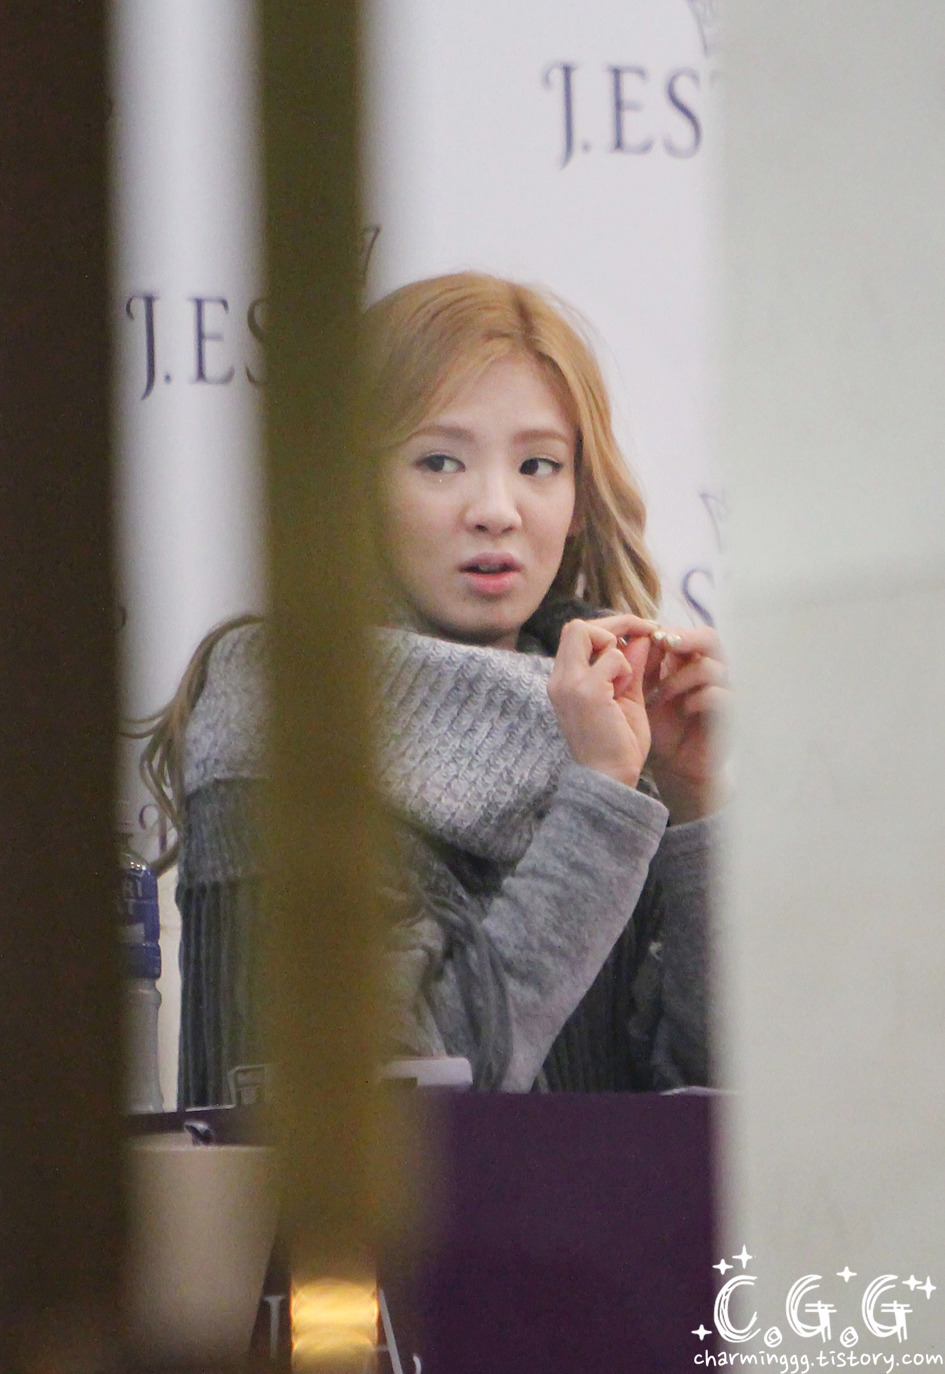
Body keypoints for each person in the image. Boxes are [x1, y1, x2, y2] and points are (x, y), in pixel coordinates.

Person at [141, 272, 728, 1105]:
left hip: (608, 1201)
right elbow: (410, 1095)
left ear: (577, 499)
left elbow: (726, 1096)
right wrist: (598, 798)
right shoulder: (289, 710)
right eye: (439, 461)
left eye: (538, 464)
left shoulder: (617, 713)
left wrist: (693, 804)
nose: (495, 509)